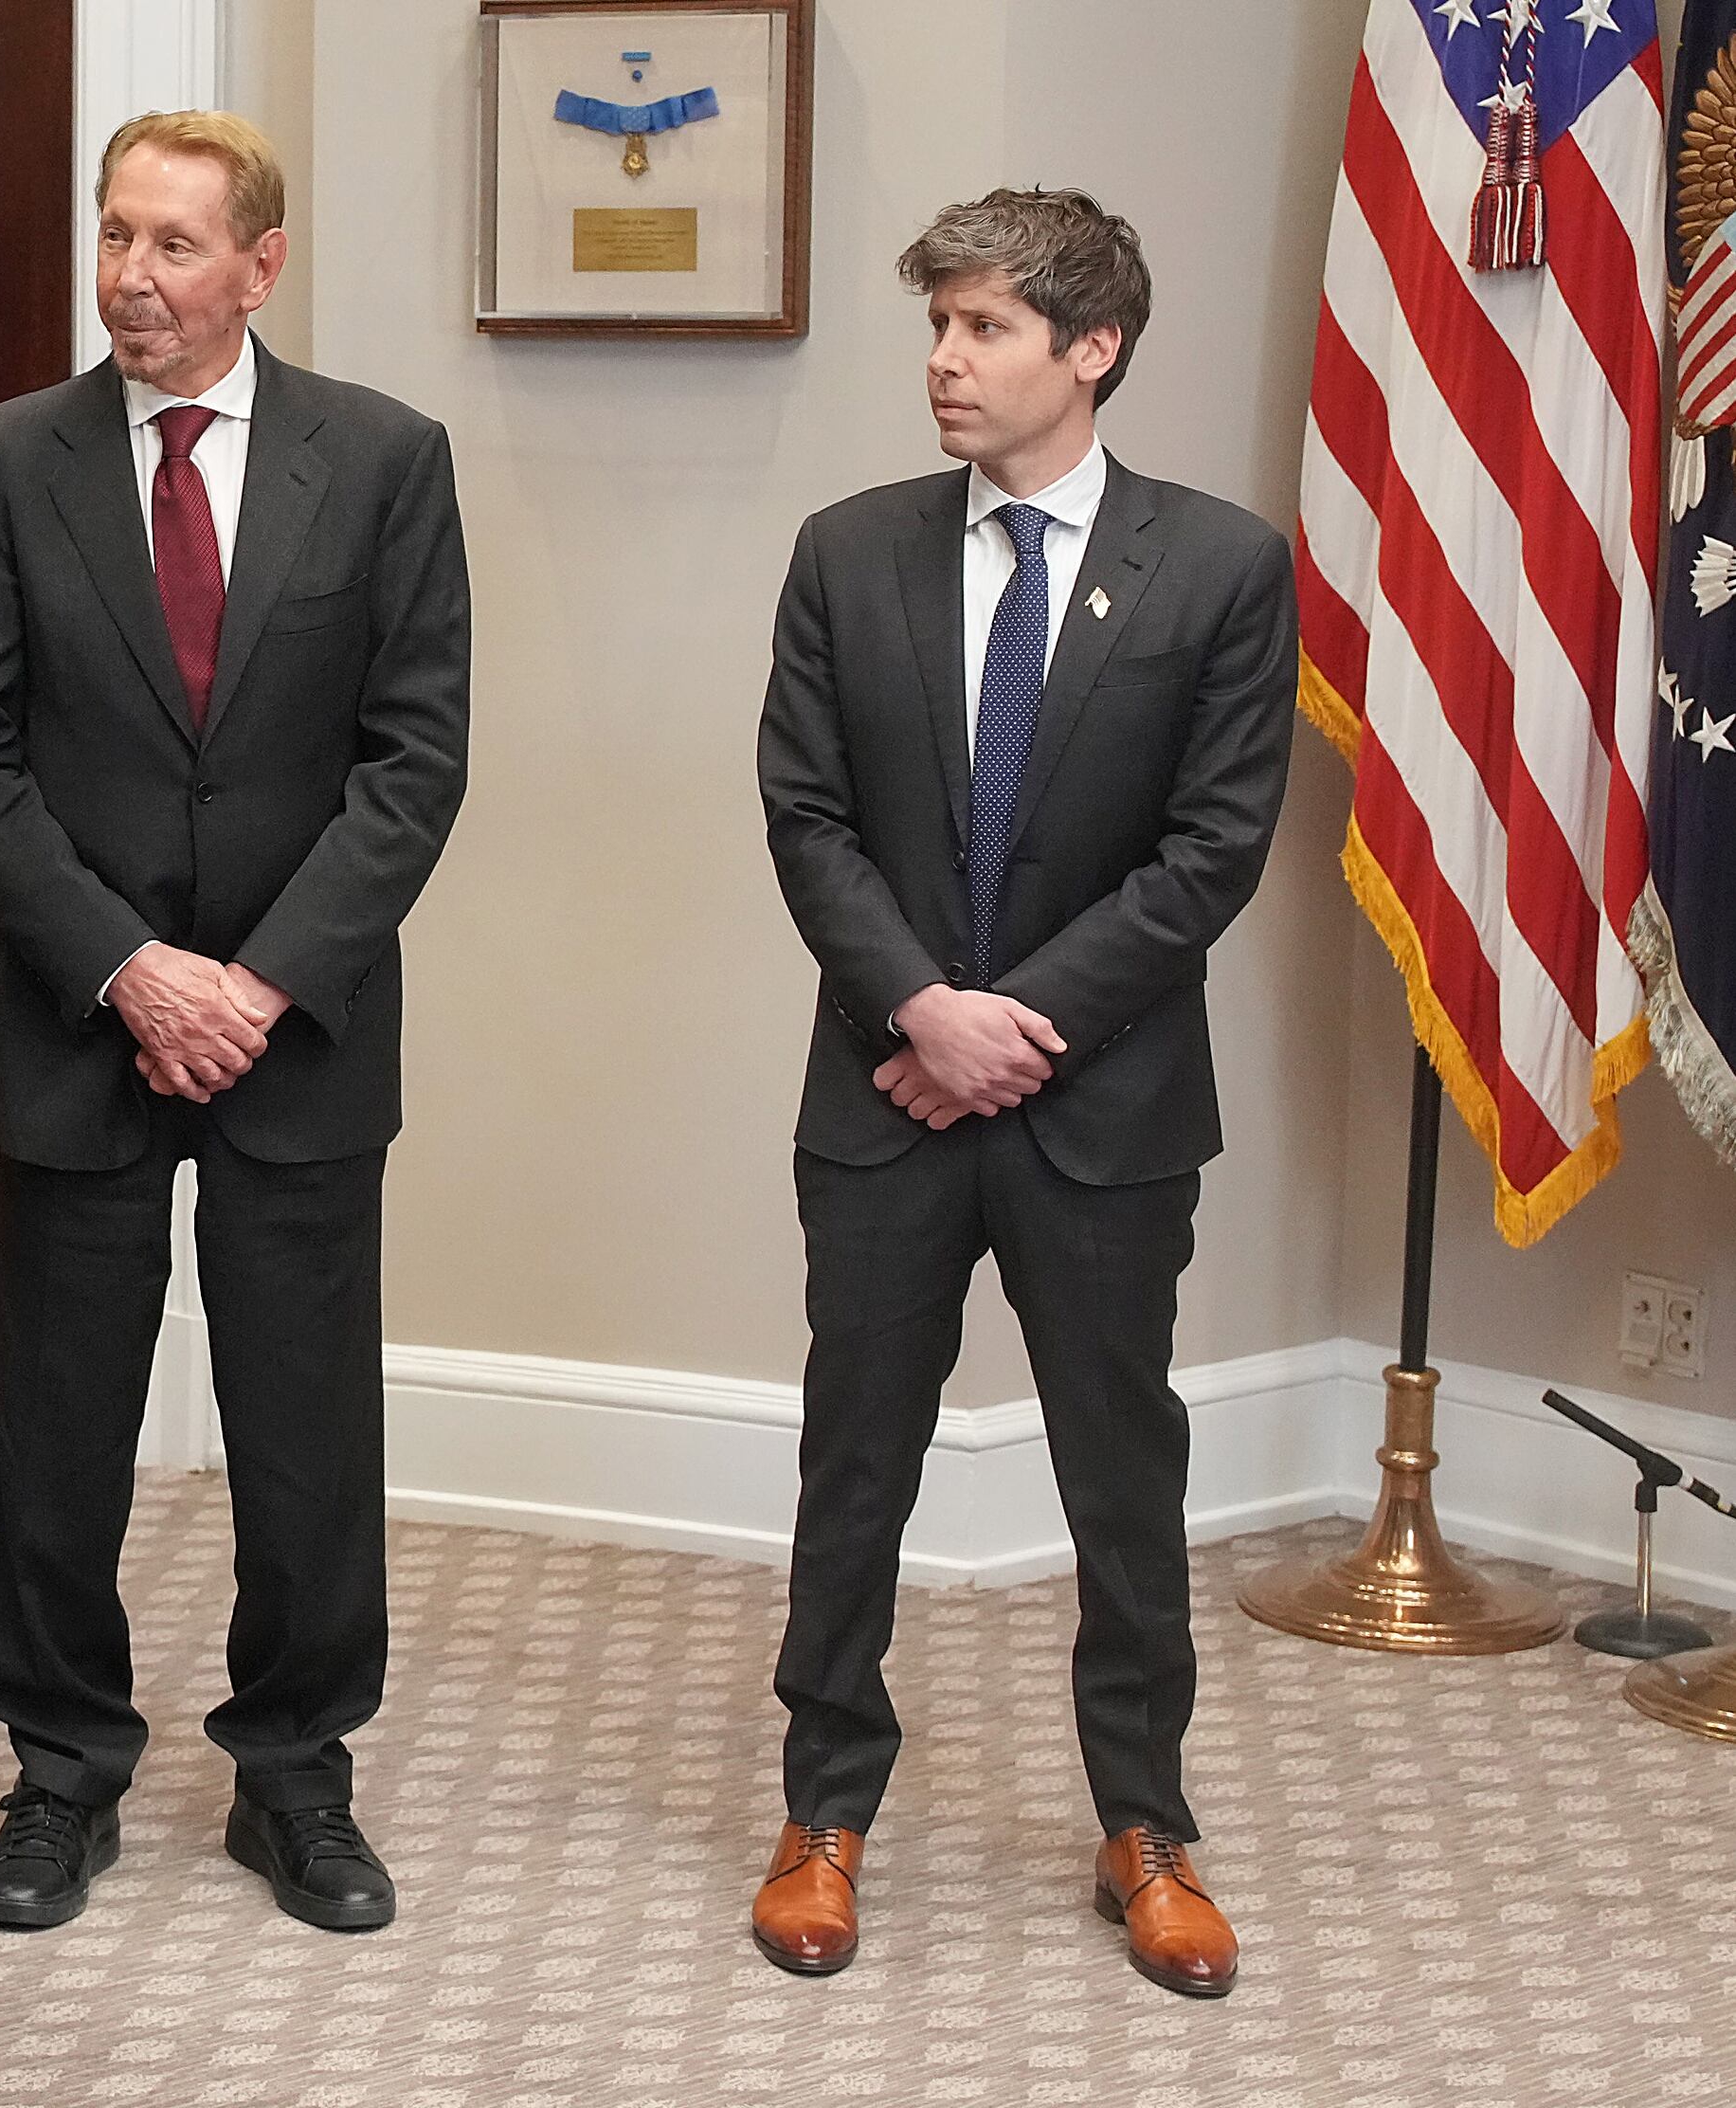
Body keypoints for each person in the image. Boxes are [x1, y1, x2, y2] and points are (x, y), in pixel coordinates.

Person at [0, 111, 469, 1935]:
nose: (132, 278)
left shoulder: (382, 459)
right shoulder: (1, 466)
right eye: (115, 237)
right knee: (57, 1420)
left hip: (299, 1027)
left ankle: (296, 1774)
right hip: (81, 1014)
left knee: (306, 1422)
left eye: (172, 244)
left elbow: (414, 761)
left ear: (260, 265)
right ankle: (60, 1771)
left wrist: (260, 982)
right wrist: (131, 970)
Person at [749, 188, 1293, 1999]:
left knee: (1122, 1476)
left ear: (1092, 348)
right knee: (854, 1462)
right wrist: (921, 1009)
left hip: (1102, 1113)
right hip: (884, 1093)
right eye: (939, 326)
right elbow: (806, 817)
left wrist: (1009, 1028)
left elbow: (1211, 852)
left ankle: (1147, 1827)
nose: (944, 361)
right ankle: (823, 1810)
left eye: (983, 328)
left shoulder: (1218, 567)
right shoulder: (849, 552)